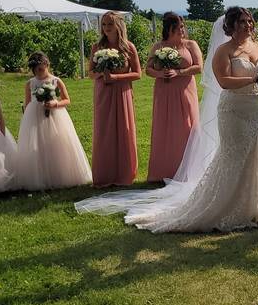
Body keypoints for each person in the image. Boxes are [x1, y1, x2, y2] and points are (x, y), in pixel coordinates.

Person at [76, 7, 258, 233]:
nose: (248, 25)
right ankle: (230, 206)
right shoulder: (224, 51)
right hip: (235, 110)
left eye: (250, 21)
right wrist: (256, 78)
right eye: (243, 22)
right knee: (234, 156)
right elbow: (224, 81)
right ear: (231, 26)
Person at [13, 52, 92, 191]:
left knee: (57, 144)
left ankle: (59, 175)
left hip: (56, 117)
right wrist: (27, 119)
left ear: (47, 65)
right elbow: (27, 103)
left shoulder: (56, 80)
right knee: (37, 144)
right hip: (35, 116)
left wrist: (55, 104)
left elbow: (67, 100)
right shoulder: (30, 83)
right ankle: (40, 176)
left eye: (41, 68)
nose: (39, 71)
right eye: (36, 69)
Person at [145, 12, 203, 182]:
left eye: (183, 26)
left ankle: (187, 169)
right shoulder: (158, 46)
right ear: (169, 29)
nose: (182, 30)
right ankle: (163, 170)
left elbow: (199, 67)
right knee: (164, 126)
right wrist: (160, 73)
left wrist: (179, 72)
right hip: (164, 91)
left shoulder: (191, 45)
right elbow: (147, 69)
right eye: (178, 27)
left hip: (185, 90)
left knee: (186, 126)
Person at [89, 11, 141, 187]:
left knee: (124, 130)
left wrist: (116, 78)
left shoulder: (128, 47)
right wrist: (101, 74)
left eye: (109, 24)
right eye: (103, 24)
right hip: (103, 92)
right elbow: (90, 72)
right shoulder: (96, 47)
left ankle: (124, 173)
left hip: (122, 92)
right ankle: (105, 173)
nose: (106, 28)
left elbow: (137, 73)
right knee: (104, 131)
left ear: (118, 25)